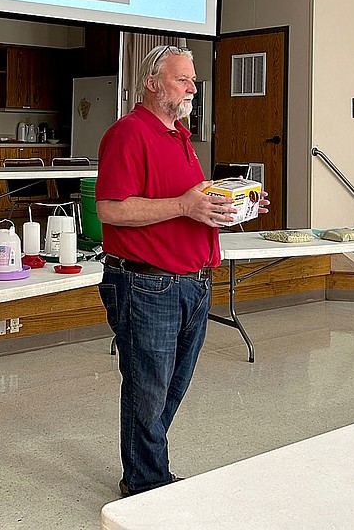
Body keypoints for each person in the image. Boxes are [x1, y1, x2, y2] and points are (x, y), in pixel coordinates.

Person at [95, 44, 267, 497]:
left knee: (169, 387)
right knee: (148, 390)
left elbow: (192, 208)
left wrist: (237, 205)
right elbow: (111, 210)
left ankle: (145, 466)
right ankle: (147, 485)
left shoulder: (180, 136)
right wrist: (183, 204)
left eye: (193, 80)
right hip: (147, 283)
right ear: (152, 83)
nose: (192, 87)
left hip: (192, 282)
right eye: (182, 79)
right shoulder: (129, 134)